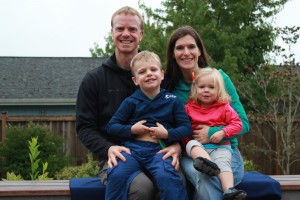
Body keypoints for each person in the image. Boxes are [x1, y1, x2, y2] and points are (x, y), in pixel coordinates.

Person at [76, 6, 182, 200]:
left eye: (132, 29)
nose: (126, 34)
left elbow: (180, 118)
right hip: (118, 155)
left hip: (159, 152)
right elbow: (84, 127)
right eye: (120, 29)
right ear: (112, 33)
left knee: (179, 181)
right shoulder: (94, 80)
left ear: (141, 34)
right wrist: (108, 148)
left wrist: (177, 146)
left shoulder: (159, 77)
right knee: (141, 188)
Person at [163, 25, 250, 200]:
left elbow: (243, 123)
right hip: (191, 153)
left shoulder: (219, 79)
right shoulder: (168, 86)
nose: (186, 52)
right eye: (180, 48)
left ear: (200, 51)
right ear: (173, 53)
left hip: (224, 150)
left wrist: (211, 133)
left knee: (210, 178)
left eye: (191, 47)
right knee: (204, 174)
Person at [106, 51, 191, 200]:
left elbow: (186, 128)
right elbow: (112, 126)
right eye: (142, 72)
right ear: (135, 80)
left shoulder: (172, 101)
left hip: (160, 151)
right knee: (117, 173)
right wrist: (132, 130)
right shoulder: (130, 102)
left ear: (162, 74)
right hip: (133, 149)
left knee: (169, 178)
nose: (149, 74)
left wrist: (167, 134)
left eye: (153, 69)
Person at [183, 67, 247, 200]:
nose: (206, 90)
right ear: (195, 89)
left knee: (224, 165)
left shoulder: (225, 108)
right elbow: (183, 127)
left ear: (219, 90)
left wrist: (222, 132)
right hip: (199, 148)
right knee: (192, 144)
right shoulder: (189, 108)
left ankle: (229, 191)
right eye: (202, 87)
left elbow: (238, 124)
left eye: (211, 87)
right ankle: (205, 163)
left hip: (220, 147)